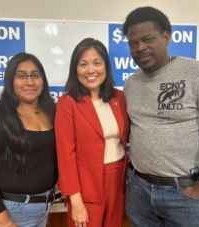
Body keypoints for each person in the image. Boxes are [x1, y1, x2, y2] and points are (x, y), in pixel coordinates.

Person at [122, 7, 199, 227]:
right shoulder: (131, 83)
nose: (140, 48)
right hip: (138, 190)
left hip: (184, 192)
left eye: (147, 39)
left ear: (166, 36)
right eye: (133, 44)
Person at [0, 52, 58, 227]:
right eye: (21, 76)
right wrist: (5, 223)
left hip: (43, 208)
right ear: (10, 80)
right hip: (8, 212)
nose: (29, 82)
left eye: (35, 75)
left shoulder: (53, 113)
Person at [55, 38, 129, 227]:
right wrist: (76, 201)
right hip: (85, 188)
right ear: (75, 69)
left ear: (106, 66)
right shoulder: (67, 103)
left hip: (118, 182)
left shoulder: (118, 97)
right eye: (83, 64)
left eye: (97, 63)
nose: (91, 70)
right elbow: (65, 156)